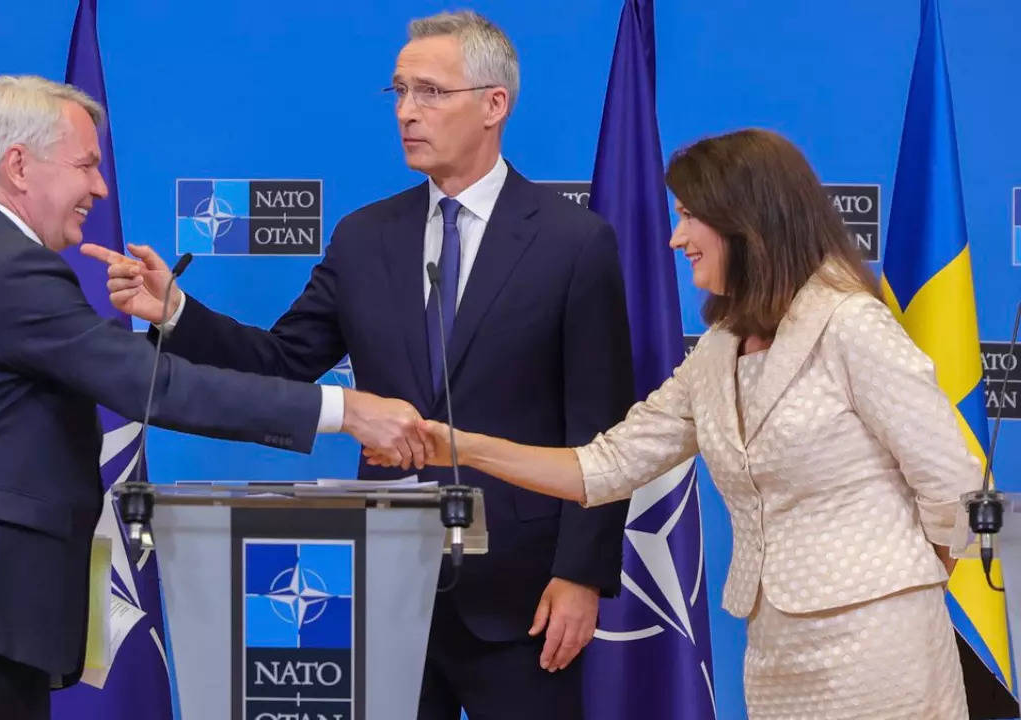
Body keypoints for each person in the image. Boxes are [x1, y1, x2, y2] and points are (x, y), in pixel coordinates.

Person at [82, 10, 635, 719]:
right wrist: (178, 312)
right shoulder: (365, 236)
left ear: (495, 104)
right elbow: (283, 361)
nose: (408, 112)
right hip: (386, 587)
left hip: (523, 595)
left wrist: (580, 574)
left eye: (431, 92)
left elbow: (602, 428)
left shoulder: (574, 243)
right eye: (400, 92)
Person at [0, 74, 428, 720]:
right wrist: (345, 411)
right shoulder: (10, 269)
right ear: (19, 165)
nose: (99, 187)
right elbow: (157, 386)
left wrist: (177, 315)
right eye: (87, 165)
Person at [409, 128, 975, 719]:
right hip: (777, 651)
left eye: (688, 216)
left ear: (745, 219)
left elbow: (952, 483)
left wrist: (901, 583)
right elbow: (605, 466)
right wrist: (463, 447)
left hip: (881, 646)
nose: (676, 238)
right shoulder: (719, 348)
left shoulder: (851, 324)